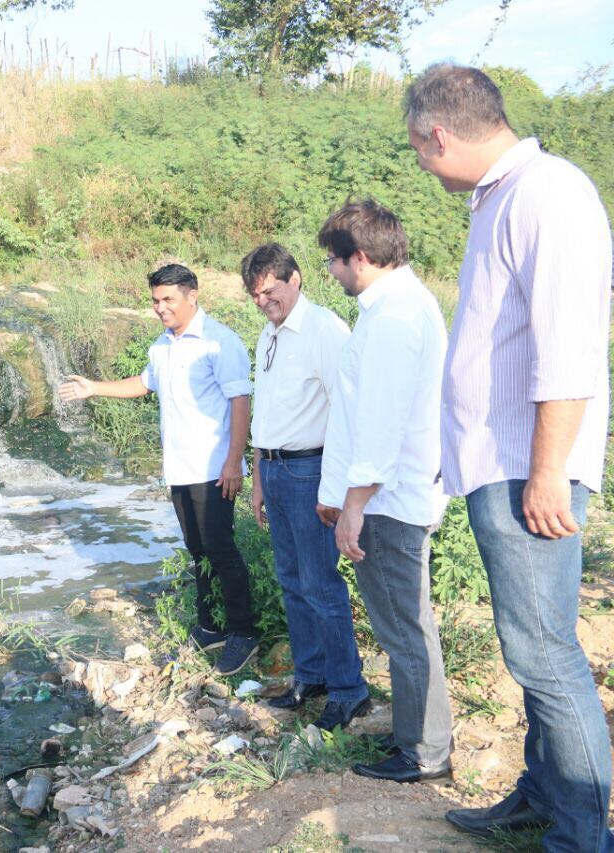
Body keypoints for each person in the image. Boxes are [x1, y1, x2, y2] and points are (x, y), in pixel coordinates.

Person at [405, 64, 614, 849]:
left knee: (547, 652)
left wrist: (549, 468)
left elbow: (569, 348)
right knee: (533, 647)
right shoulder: (504, 197)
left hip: (531, 466)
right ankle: (544, 792)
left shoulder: (547, 193)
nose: (423, 165)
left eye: (419, 150)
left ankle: (582, 834)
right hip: (504, 461)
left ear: (439, 133)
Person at [60, 263, 259, 675]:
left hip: (213, 467)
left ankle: (244, 631)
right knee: (198, 551)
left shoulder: (220, 342)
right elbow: (144, 383)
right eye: (155, 301)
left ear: (192, 295)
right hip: (179, 469)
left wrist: (232, 463)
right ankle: (210, 626)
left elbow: (240, 402)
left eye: (168, 299)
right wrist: (94, 387)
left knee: (221, 550)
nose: (160, 308)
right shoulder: (161, 346)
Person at [315, 200, 453, 782]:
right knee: (405, 626)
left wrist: (352, 506)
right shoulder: (392, 307)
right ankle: (421, 742)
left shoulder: (396, 316)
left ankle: (424, 753)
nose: (330, 272)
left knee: (404, 629)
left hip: (388, 502)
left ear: (362, 258)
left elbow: (380, 425)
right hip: (386, 496)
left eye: (334, 261)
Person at [241, 243, 369, 730]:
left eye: (270, 290)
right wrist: (257, 476)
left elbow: (347, 411)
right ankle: (310, 675)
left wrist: (334, 489)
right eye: (255, 294)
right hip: (274, 470)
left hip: (312, 472)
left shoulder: (325, 330)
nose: (263, 301)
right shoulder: (267, 334)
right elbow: (267, 410)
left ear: (295, 279)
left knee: (321, 584)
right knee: (291, 581)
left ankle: (349, 690)